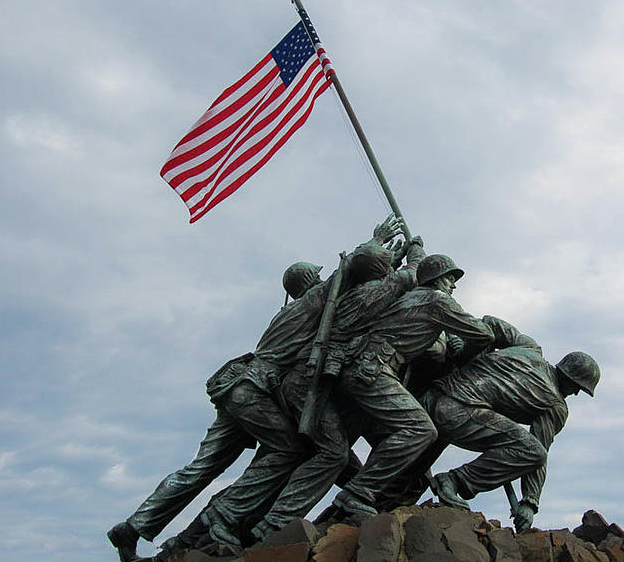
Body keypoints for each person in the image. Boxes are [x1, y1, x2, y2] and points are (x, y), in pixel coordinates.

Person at [106, 217, 403, 562]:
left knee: (201, 468)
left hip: (236, 387)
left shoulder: (288, 311)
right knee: (289, 450)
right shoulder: (310, 304)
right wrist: (377, 241)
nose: (323, 280)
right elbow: (348, 274)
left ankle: (132, 528)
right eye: (317, 277)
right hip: (253, 391)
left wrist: (386, 261)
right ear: (310, 282)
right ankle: (224, 519)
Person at [322, 253, 495, 519]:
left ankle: (352, 505)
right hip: (374, 370)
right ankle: (357, 493)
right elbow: (485, 334)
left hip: (362, 367)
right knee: (421, 431)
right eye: (450, 278)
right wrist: (458, 336)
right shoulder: (437, 300)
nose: (454, 284)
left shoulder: (412, 298)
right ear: (437, 279)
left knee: (377, 441)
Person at [420, 316, 600, 531]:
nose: (577, 393)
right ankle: (454, 481)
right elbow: (537, 454)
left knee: (408, 479)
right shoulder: (555, 406)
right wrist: (529, 503)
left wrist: (463, 344)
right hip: (456, 413)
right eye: (579, 387)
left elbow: (490, 324)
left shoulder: (529, 347)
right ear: (571, 380)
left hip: (430, 396)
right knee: (532, 451)